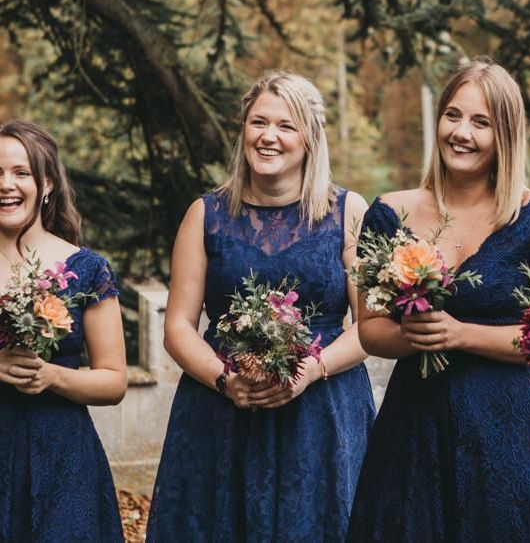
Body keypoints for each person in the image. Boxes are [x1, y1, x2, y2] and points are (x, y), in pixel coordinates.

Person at [146, 70, 375, 542]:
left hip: (322, 414)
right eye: (258, 123)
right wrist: (224, 380)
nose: (268, 136)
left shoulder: (348, 212)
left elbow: (370, 327)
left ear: (310, 139)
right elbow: (179, 327)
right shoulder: (204, 215)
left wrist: (313, 368)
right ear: (244, 131)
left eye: (286, 126)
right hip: (221, 412)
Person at [346, 60, 530, 542]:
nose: (461, 132)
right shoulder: (390, 212)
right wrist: (413, 334)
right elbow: (369, 329)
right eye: (452, 115)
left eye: (481, 122)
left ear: (506, 134)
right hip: (416, 429)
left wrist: (462, 334)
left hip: (508, 433)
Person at [0, 120, 126, 542]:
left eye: (21, 172)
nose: (6, 184)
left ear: (48, 182)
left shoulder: (88, 269)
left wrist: (51, 376)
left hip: (62, 459)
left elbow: (114, 381)